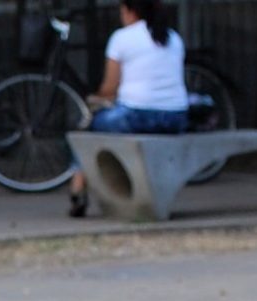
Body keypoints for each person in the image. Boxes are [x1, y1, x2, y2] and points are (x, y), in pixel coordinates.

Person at [67, 0, 191, 218]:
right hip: (176, 117)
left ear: (131, 11)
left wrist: (95, 98)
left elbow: (110, 88)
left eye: (122, 10)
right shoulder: (173, 37)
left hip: (136, 116)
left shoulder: (122, 38)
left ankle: (78, 185)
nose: (121, 16)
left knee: (89, 128)